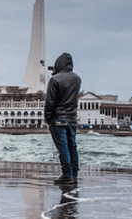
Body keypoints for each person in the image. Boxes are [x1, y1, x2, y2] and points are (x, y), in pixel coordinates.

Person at [45, 53, 81, 184]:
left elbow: (50, 102)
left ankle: (67, 175)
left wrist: (48, 119)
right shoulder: (77, 79)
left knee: (63, 148)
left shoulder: (55, 79)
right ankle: (74, 173)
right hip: (72, 118)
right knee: (72, 147)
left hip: (58, 118)